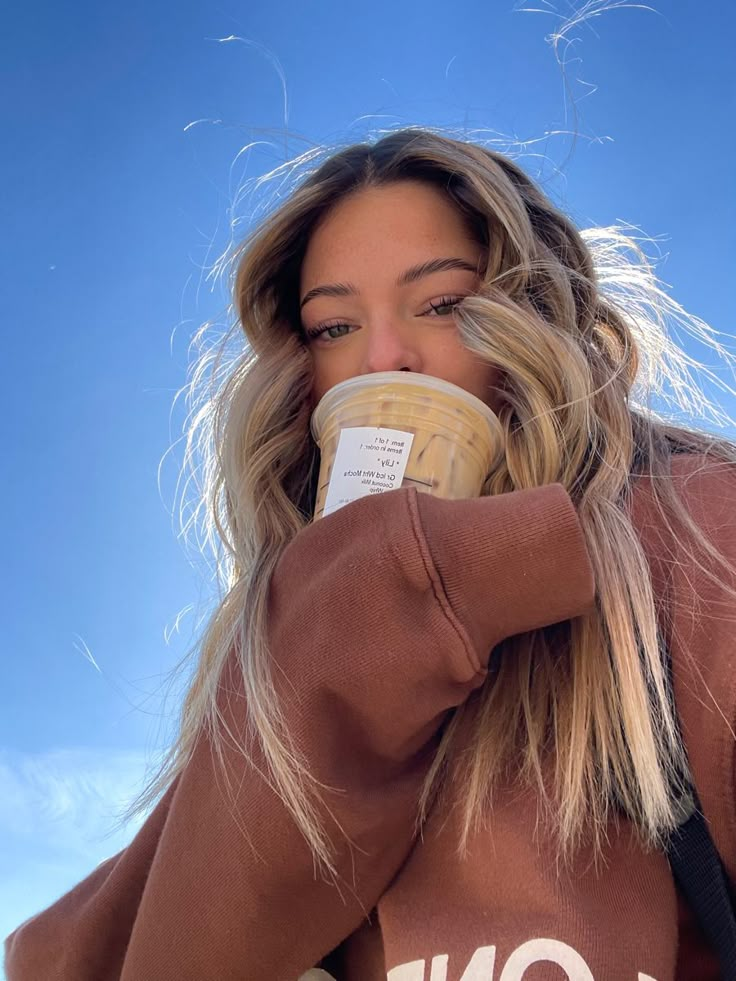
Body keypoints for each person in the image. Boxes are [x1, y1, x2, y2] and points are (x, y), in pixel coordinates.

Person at [5, 127, 736, 980]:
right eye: (334, 326)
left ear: (533, 315)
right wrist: (344, 612)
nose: (384, 357)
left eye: (443, 304)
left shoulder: (694, 542)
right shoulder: (275, 639)